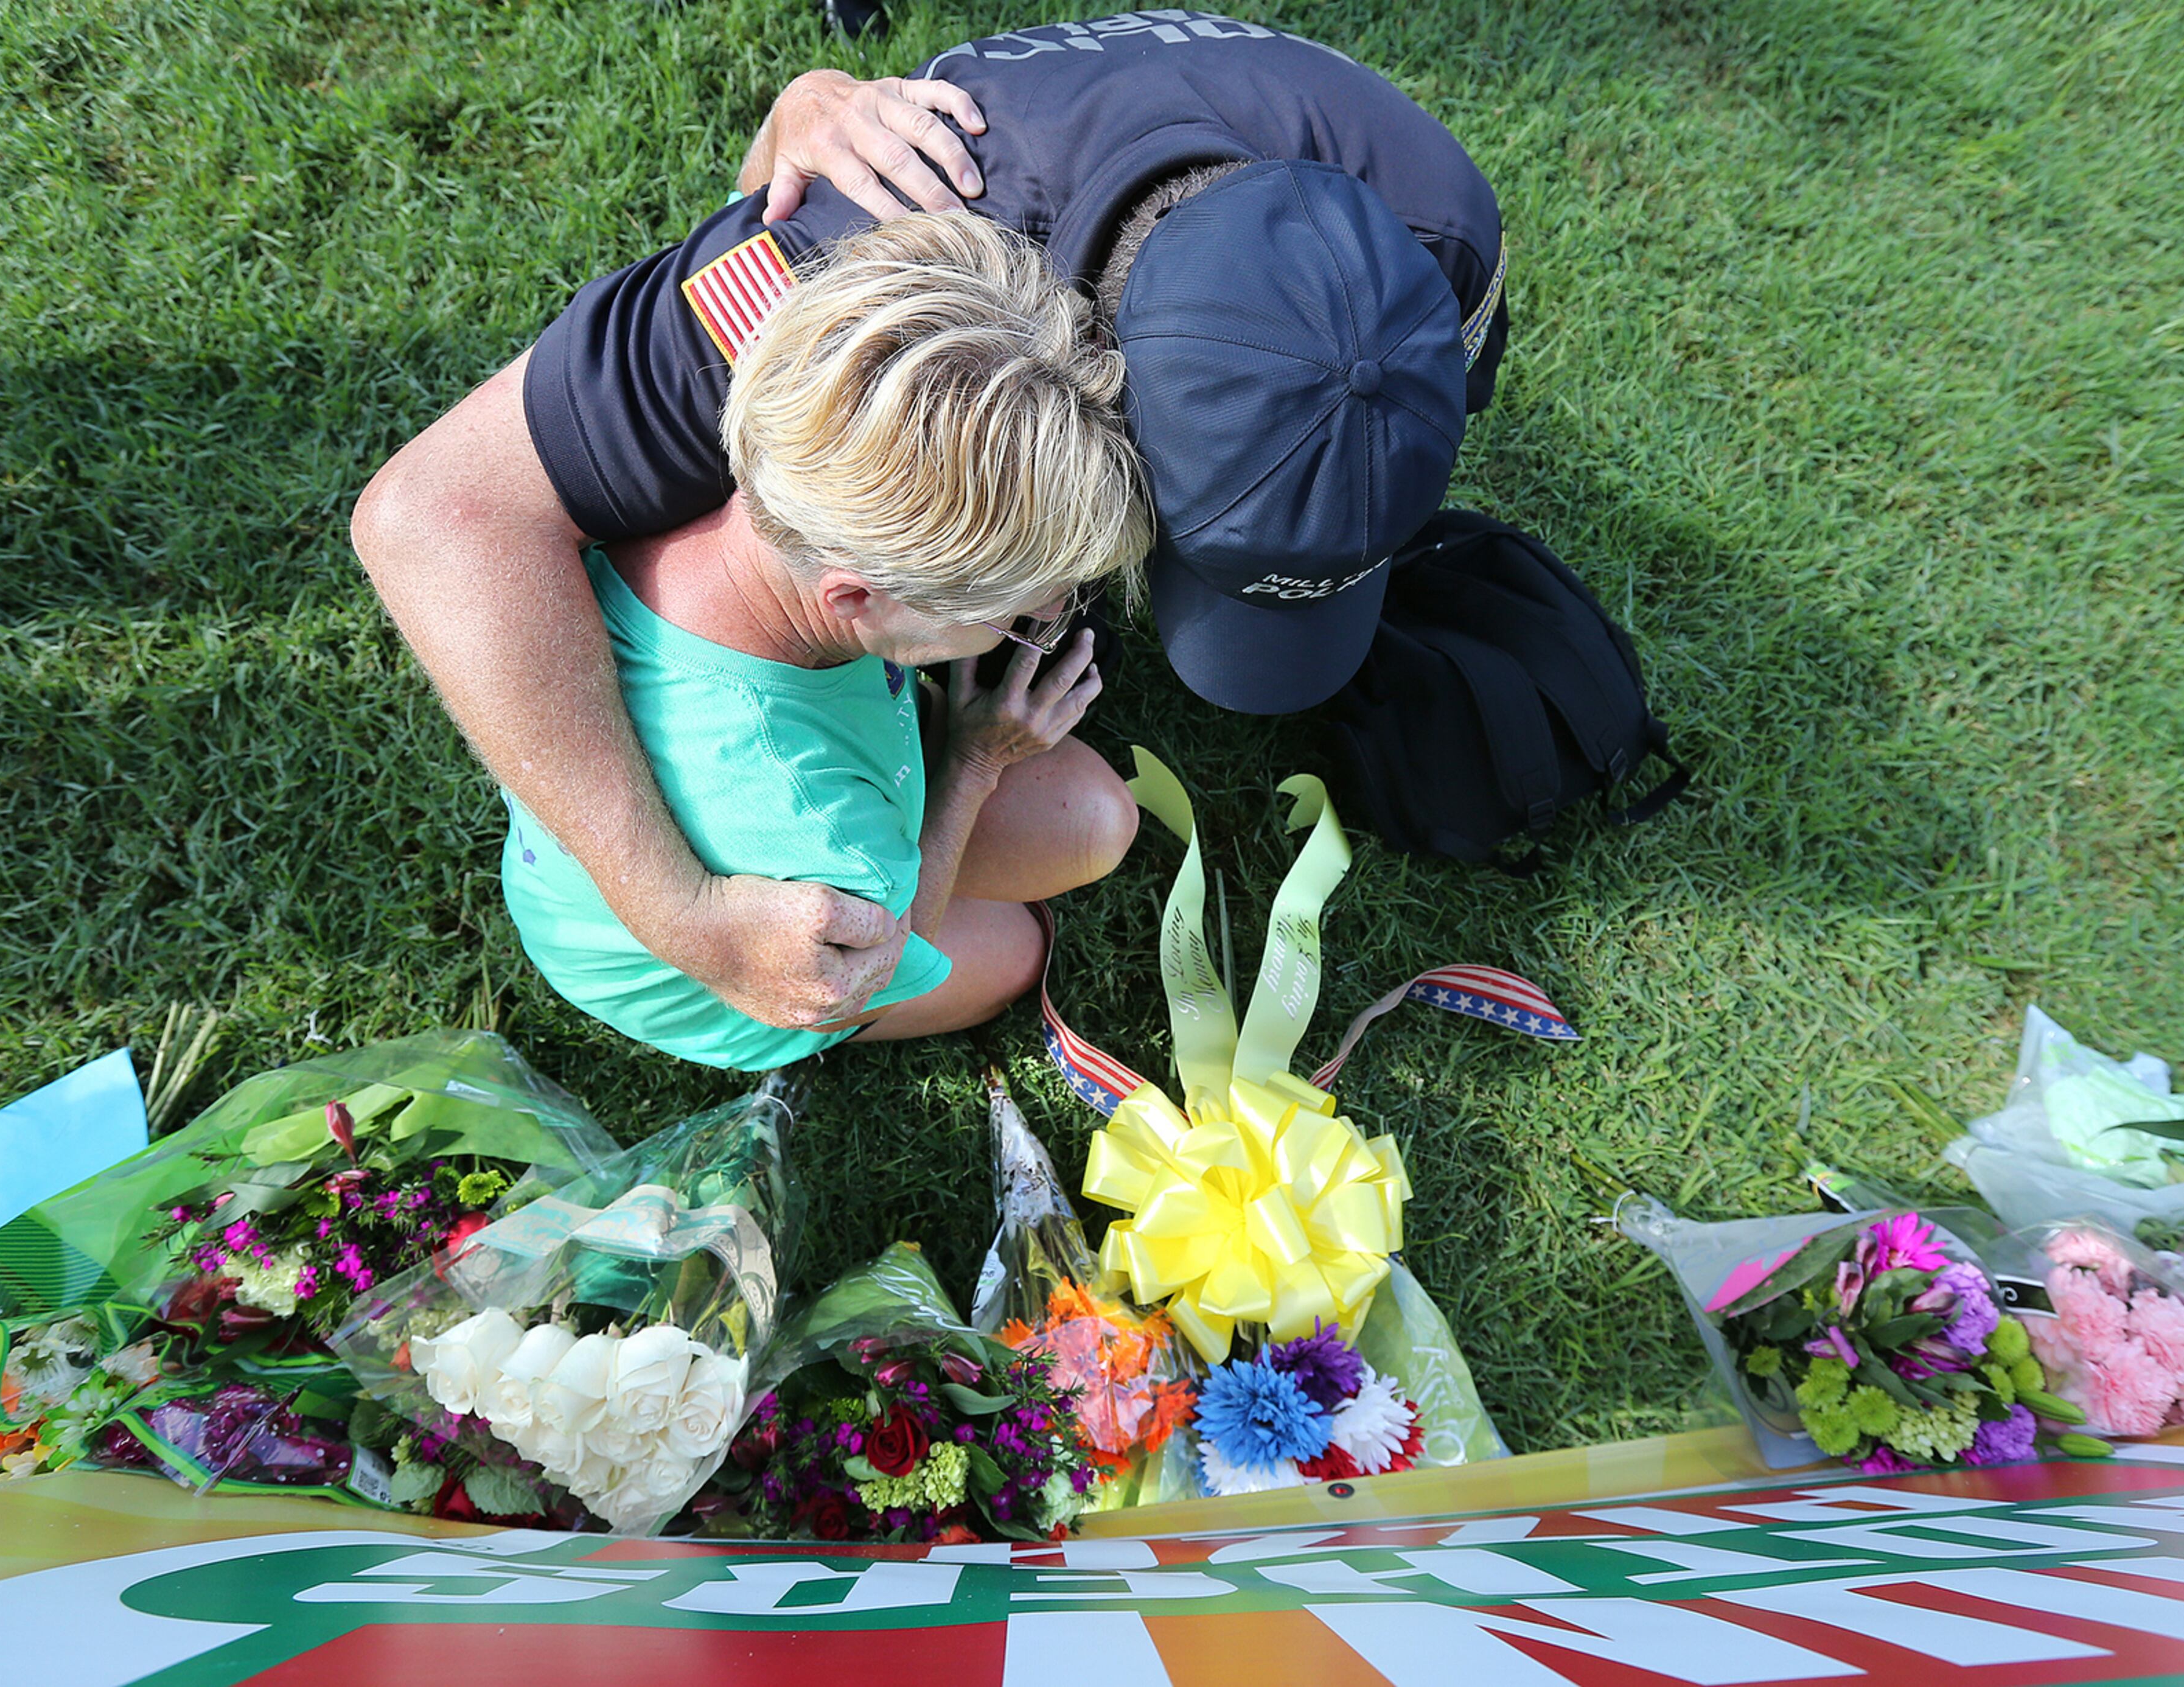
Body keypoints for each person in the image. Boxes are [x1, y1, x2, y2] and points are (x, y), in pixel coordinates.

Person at [351, 12, 1504, 1035]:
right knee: (1038, 889)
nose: (1064, 616)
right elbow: (433, 517)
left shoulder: (1437, 234)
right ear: (1076, 379)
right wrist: (685, 918)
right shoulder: (839, 273)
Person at [500, 212, 1146, 1068]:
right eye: (1010, 613)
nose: (1039, 623)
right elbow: (871, 957)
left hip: (575, 876)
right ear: (856, 596)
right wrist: (976, 762)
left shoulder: (780, 446)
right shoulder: (811, 821)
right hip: (706, 979)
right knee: (1018, 948)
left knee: (1079, 816)